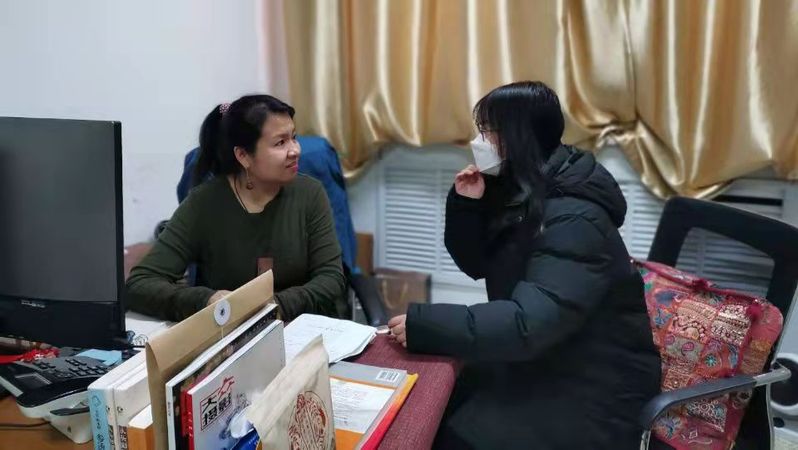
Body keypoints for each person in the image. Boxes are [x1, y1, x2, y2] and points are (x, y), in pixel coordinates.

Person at [387, 81, 661, 449]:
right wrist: (467, 205)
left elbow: (528, 323)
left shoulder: (576, 218)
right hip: (549, 351)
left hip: (595, 385)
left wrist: (425, 325)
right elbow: (477, 264)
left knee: (450, 430)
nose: (479, 141)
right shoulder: (522, 188)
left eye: (488, 130)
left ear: (518, 136)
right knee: (435, 400)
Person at [126, 95, 347, 322]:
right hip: (230, 331)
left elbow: (331, 278)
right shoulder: (205, 202)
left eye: (294, 138)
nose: (295, 150)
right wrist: (207, 300)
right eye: (280, 143)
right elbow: (139, 283)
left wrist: (276, 306)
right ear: (243, 156)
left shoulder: (310, 193)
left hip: (299, 327)